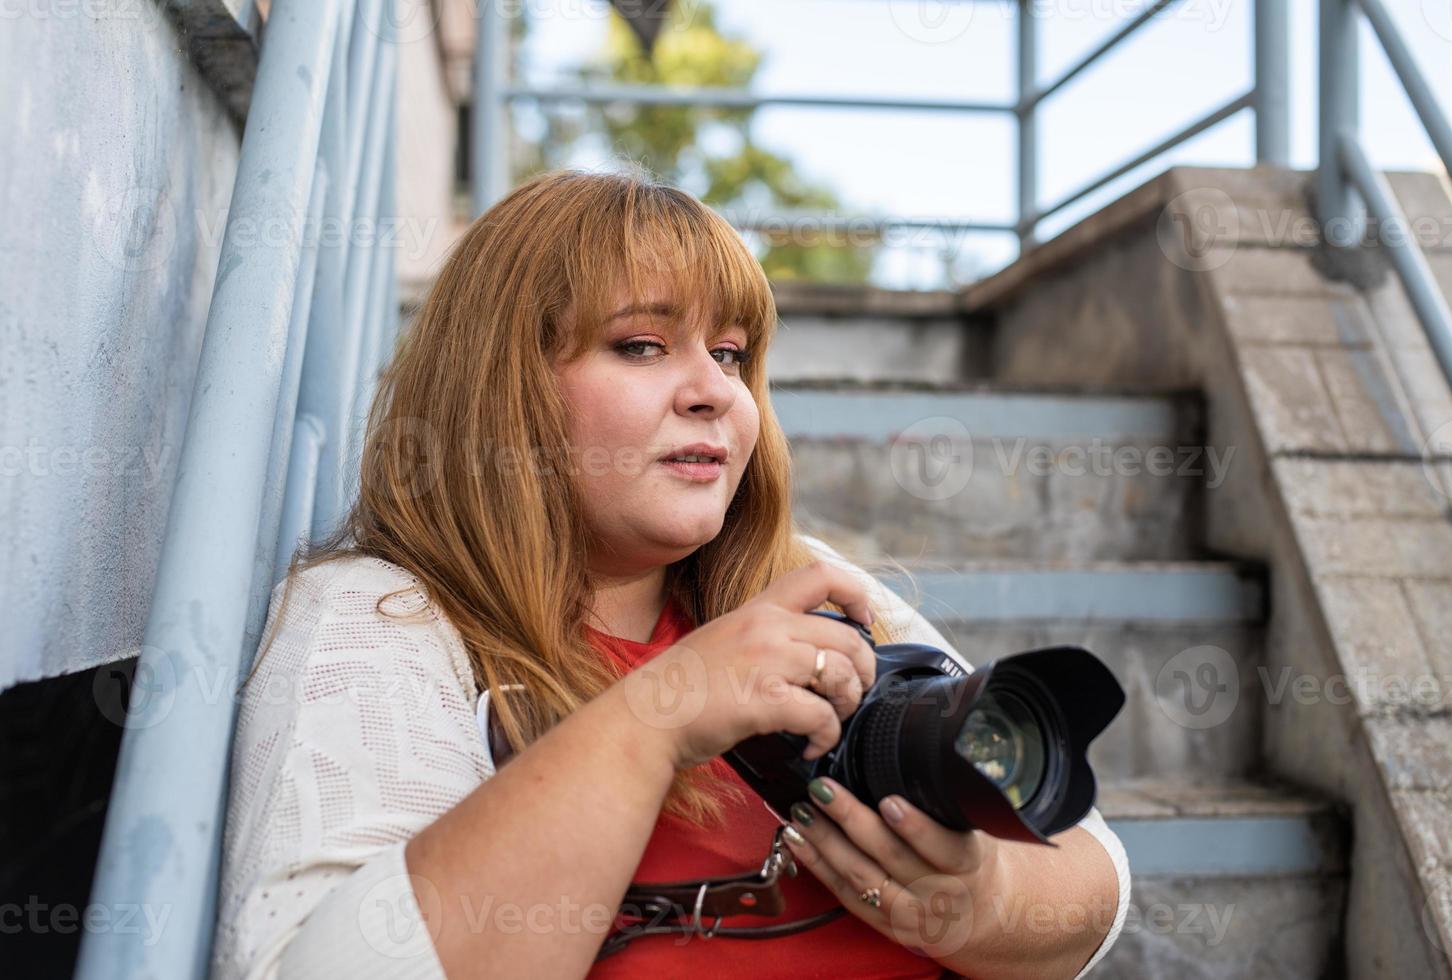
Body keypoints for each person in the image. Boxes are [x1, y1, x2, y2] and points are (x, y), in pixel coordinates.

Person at [211, 168, 1129, 980]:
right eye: (641, 346)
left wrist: (977, 906)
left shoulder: (803, 583)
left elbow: (1090, 871)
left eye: (729, 354)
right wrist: (657, 717)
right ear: (500, 384)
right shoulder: (385, 618)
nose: (715, 391)